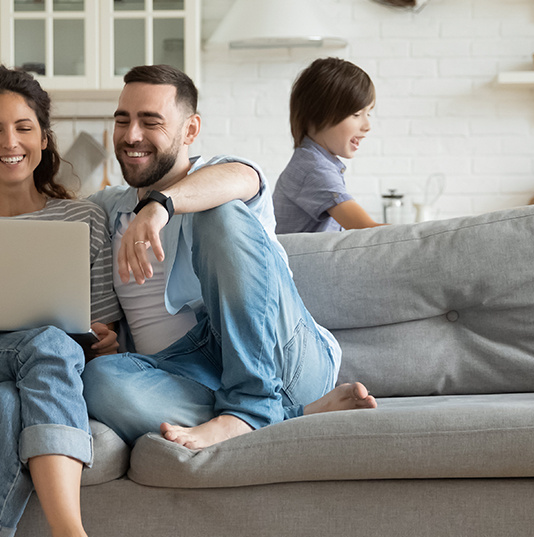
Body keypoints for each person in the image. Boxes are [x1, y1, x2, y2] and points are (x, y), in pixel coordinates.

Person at [82, 64, 376, 452]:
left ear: (190, 130)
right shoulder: (107, 208)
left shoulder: (221, 174)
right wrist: (102, 336)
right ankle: (288, 415)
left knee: (218, 210)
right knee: (97, 380)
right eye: (123, 121)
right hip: (187, 371)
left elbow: (240, 179)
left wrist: (161, 205)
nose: (132, 135)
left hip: (282, 354)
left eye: (150, 121)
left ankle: (251, 405)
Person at [0, 66, 121, 537]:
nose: (9, 141)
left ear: (43, 136)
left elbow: (103, 326)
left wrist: (105, 339)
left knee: (2, 405)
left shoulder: (83, 217)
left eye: (23, 127)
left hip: (30, 379)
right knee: (48, 342)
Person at [273, 57, 383, 233]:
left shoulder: (316, 163)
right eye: (356, 114)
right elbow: (369, 231)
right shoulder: (313, 169)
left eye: (368, 113)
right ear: (317, 115)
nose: (367, 126)